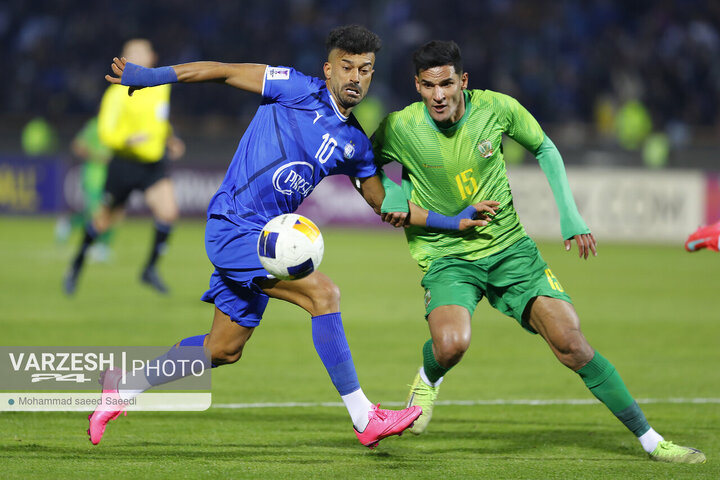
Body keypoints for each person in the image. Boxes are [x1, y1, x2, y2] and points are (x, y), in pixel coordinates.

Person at [86, 25, 499, 449]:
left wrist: (453, 220)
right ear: (329, 70)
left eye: (366, 69)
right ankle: (364, 417)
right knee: (323, 294)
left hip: (266, 238)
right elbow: (221, 70)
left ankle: (122, 387)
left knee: (224, 348)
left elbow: (384, 206)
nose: (356, 78)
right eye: (347, 67)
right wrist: (154, 77)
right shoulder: (293, 88)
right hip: (233, 225)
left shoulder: (354, 143)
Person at [372, 40, 706, 464]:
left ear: (463, 81)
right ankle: (427, 377)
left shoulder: (497, 109)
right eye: (428, 86)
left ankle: (652, 441)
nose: (438, 95)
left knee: (572, 345)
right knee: (452, 344)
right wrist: (397, 194)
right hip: (447, 255)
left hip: (511, 250)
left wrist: (570, 216)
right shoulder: (401, 127)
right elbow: (362, 163)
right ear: (416, 85)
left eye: (447, 84)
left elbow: (544, 147)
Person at [63, 38, 185, 296]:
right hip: (125, 164)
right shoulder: (116, 93)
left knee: (169, 211)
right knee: (104, 221)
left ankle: (150, 269)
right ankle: (76, 265)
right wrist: (125, 140)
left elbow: (159, 120)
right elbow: (105, 131)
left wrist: (170, 139)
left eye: (144, 52)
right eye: (133, 53)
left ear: (152, 58)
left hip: (153, 163)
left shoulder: (161, 87)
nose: (141, 57)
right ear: (125, 61)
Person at [55, 116, 114, 262]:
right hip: (93, 177)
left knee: (111, 212)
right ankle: (100, 247)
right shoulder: (94, 126)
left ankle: (69, 224)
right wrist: (96, 156)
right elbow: (77, 145)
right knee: (96, 213)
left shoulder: (118, 125)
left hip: (112, 177)